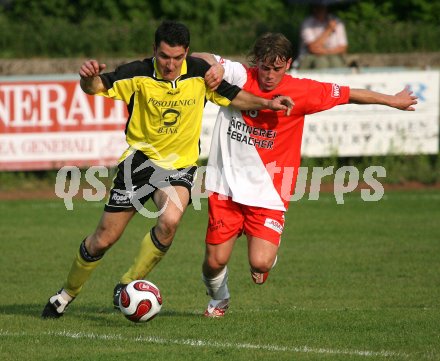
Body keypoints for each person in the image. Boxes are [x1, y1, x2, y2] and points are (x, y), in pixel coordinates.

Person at [41, 21, 293, 319]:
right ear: (154, 51)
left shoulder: (199, 72)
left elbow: (234, 96)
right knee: (104, 239)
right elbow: (95, 86)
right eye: (164, 57)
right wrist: (87, 78)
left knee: (170, 220)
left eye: (177, 57)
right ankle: (66, 294)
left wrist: (268, 103)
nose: (170, 64)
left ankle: (127, 284)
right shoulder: (136, 73)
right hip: (139, 163)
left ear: (186, 52)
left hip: (179, 167)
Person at [192, 32, 417, 317]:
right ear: (256, 62)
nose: (270, 75)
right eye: (264, 67)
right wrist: (215, 67)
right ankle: (219, 298)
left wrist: (392, 100)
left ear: (288, 64)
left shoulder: (302, 91)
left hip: (269, 192)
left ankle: (266, 254)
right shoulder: (238, 76)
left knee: (260, 263)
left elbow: (349, 95)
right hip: (225, 187)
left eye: (277, 68)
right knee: (214, 262)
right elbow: (203, 58)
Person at [298, 4, 348, 69]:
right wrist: (328, 30)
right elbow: (312, 48)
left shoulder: (337, 22)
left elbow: (343, 48)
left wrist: (326, 51)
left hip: (332, 55)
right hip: (310, 56)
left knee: (336, 62)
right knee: (321, 62)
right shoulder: (307, 23)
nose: (320, 10)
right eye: (318, 8)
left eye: (323, 8)